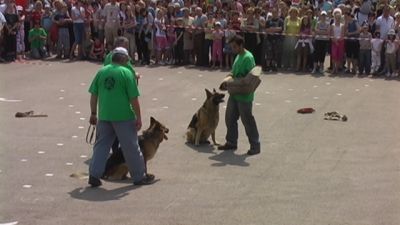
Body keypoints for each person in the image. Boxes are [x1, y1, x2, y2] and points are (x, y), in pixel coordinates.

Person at [87, 47, 155, 187]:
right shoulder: (126, 73)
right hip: (123, 116)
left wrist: (93, 113)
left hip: (104, 115)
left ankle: (94, 174)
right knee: (131, 147)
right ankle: (139, 176)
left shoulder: (101, 71)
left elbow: (94, 94)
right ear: (124, 59)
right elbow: (133, 98)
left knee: (101, 146)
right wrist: (138, 117)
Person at [218, 35, 260, 156]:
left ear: (241, 45)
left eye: (235, 47)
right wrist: (227, 79)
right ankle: (231, 142)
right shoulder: (238, 56)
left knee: (248, 121)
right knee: (230, 118)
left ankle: (255, 145)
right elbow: (234, 72)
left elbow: (252, 77)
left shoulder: (248, 57)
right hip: (235, 93)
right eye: (232, 47)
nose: (233, 49)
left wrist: (234, 81)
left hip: (244, 95)